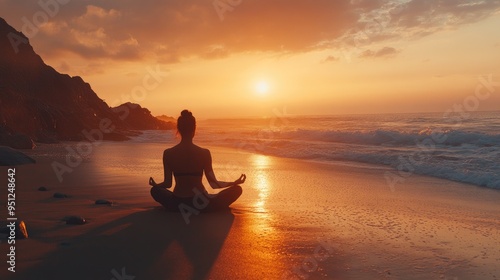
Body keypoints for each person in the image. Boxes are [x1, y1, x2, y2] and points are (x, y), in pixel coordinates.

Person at [149, 110, 245, 212]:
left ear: (178, 129)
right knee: (237, 190)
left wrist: (155, 185)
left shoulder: (168, 153)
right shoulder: (204, 153)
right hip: (201, 204)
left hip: (177, 203)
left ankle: (181, 209)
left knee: (155, 191)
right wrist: (234, 182)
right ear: (194, 129)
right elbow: (214, 184)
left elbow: (167, 184)